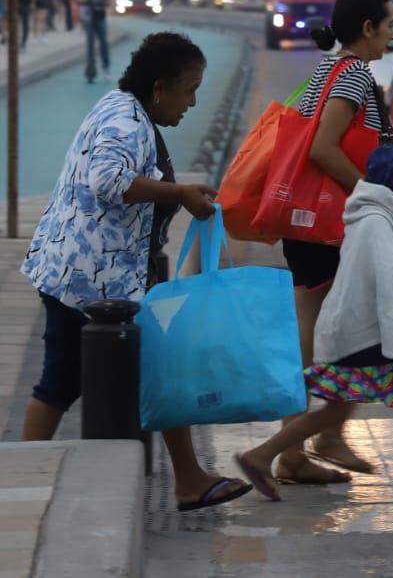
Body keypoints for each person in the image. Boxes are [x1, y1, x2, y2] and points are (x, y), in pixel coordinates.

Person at [21, 32, 252, 512]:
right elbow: (108, 181)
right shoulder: (127, 121)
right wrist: (180, 193)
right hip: (90, 279)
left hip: (87, 271)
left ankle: (187, 479)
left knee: (92, 376)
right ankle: (22, 476)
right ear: (159, 87)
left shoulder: (122, 107)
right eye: (188, 89)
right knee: (68, 380)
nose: (192, 102)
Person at [235, 146, 393, 506]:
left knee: (334, 408)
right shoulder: (377, 225)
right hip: (368, 337)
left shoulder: (369, 216)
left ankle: (261, 456)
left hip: (350, 333)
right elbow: (388, 282)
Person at [271, 0, 393, 486]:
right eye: (389, 26)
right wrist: (371, 191)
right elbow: (323, 148)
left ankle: (308, 441)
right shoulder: (353, 77)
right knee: (348, 327)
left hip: (307, 223)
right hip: (329, 224)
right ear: (367, 29)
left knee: (324, 326)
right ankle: (313, 440)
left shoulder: (327, 68)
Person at [70, 0, 112, 82]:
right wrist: (79, 1)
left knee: (103, 41)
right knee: (90, 44)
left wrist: (104, 2)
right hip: (87, 16)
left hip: (99, 14)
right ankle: (91, 71)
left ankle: (106, 67)